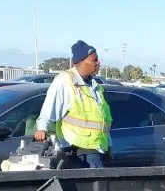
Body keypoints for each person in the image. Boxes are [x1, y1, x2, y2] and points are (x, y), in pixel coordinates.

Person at [34, 40, 112, 168]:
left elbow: (103, 121)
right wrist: (42, 129)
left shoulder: (94, 86)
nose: (98, 63)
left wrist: (109, 147)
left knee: (98, 187)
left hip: (96, 150)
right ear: (80, 62)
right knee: (92, 187)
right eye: (94, 60)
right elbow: (49, 108)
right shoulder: (65, 81)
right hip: (76, 152)